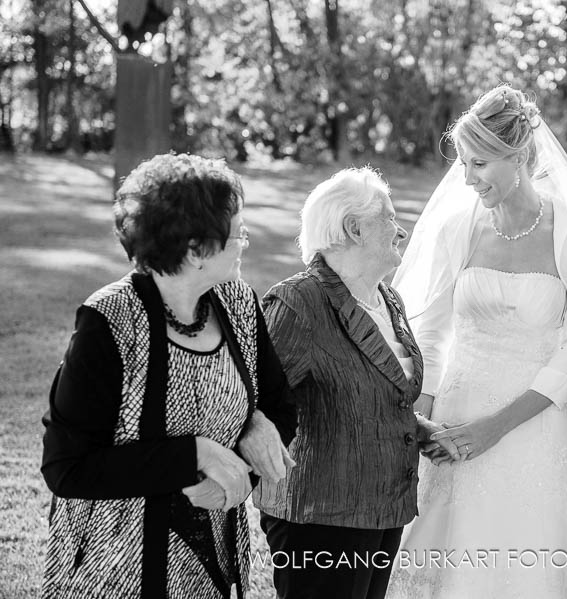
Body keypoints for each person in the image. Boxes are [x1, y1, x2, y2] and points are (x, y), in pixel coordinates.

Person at [386, 84, 567, 598]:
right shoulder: (458, 226)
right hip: (455, 418)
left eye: (481, 164)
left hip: (536, 424)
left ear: (519, 157)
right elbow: (432, 331)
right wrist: (420, 420)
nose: (468, 179)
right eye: (464, 164)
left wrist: (496, 427)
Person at [41, 153, 297, 599]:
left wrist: (242, 457)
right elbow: (67, 467)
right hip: (114, 564)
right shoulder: (109, 321)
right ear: (196, 249)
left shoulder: (237, 303)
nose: (246, 243)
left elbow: (280, 409)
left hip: (210, 558)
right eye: (238, 234)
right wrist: (196, 454)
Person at [254, 166, 459, 599]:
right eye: (388, 217)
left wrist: (416, 427)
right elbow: (257, 403)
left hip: (384, 509)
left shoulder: (387, 299)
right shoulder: (298, 301)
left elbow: (371, 389)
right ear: (354, 228)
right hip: (321, 516)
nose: (400, 230)